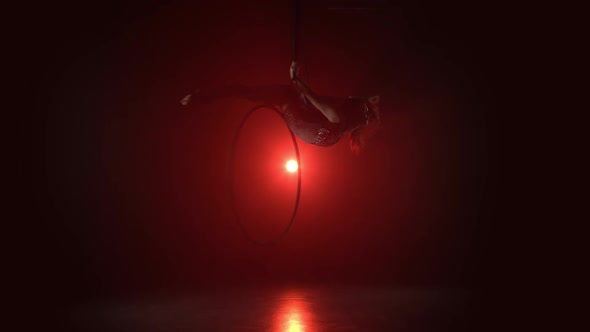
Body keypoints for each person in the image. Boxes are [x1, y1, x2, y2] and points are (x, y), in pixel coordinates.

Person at [181, 61, 381, 154]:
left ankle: (201, 97)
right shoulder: (354, 118)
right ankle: (203, 97)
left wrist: (296, 78)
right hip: (318, 127)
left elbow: (314, 98)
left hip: (308, 126)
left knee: (282, 94)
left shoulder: (341, 114)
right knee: (289, 96)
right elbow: (314, 100)